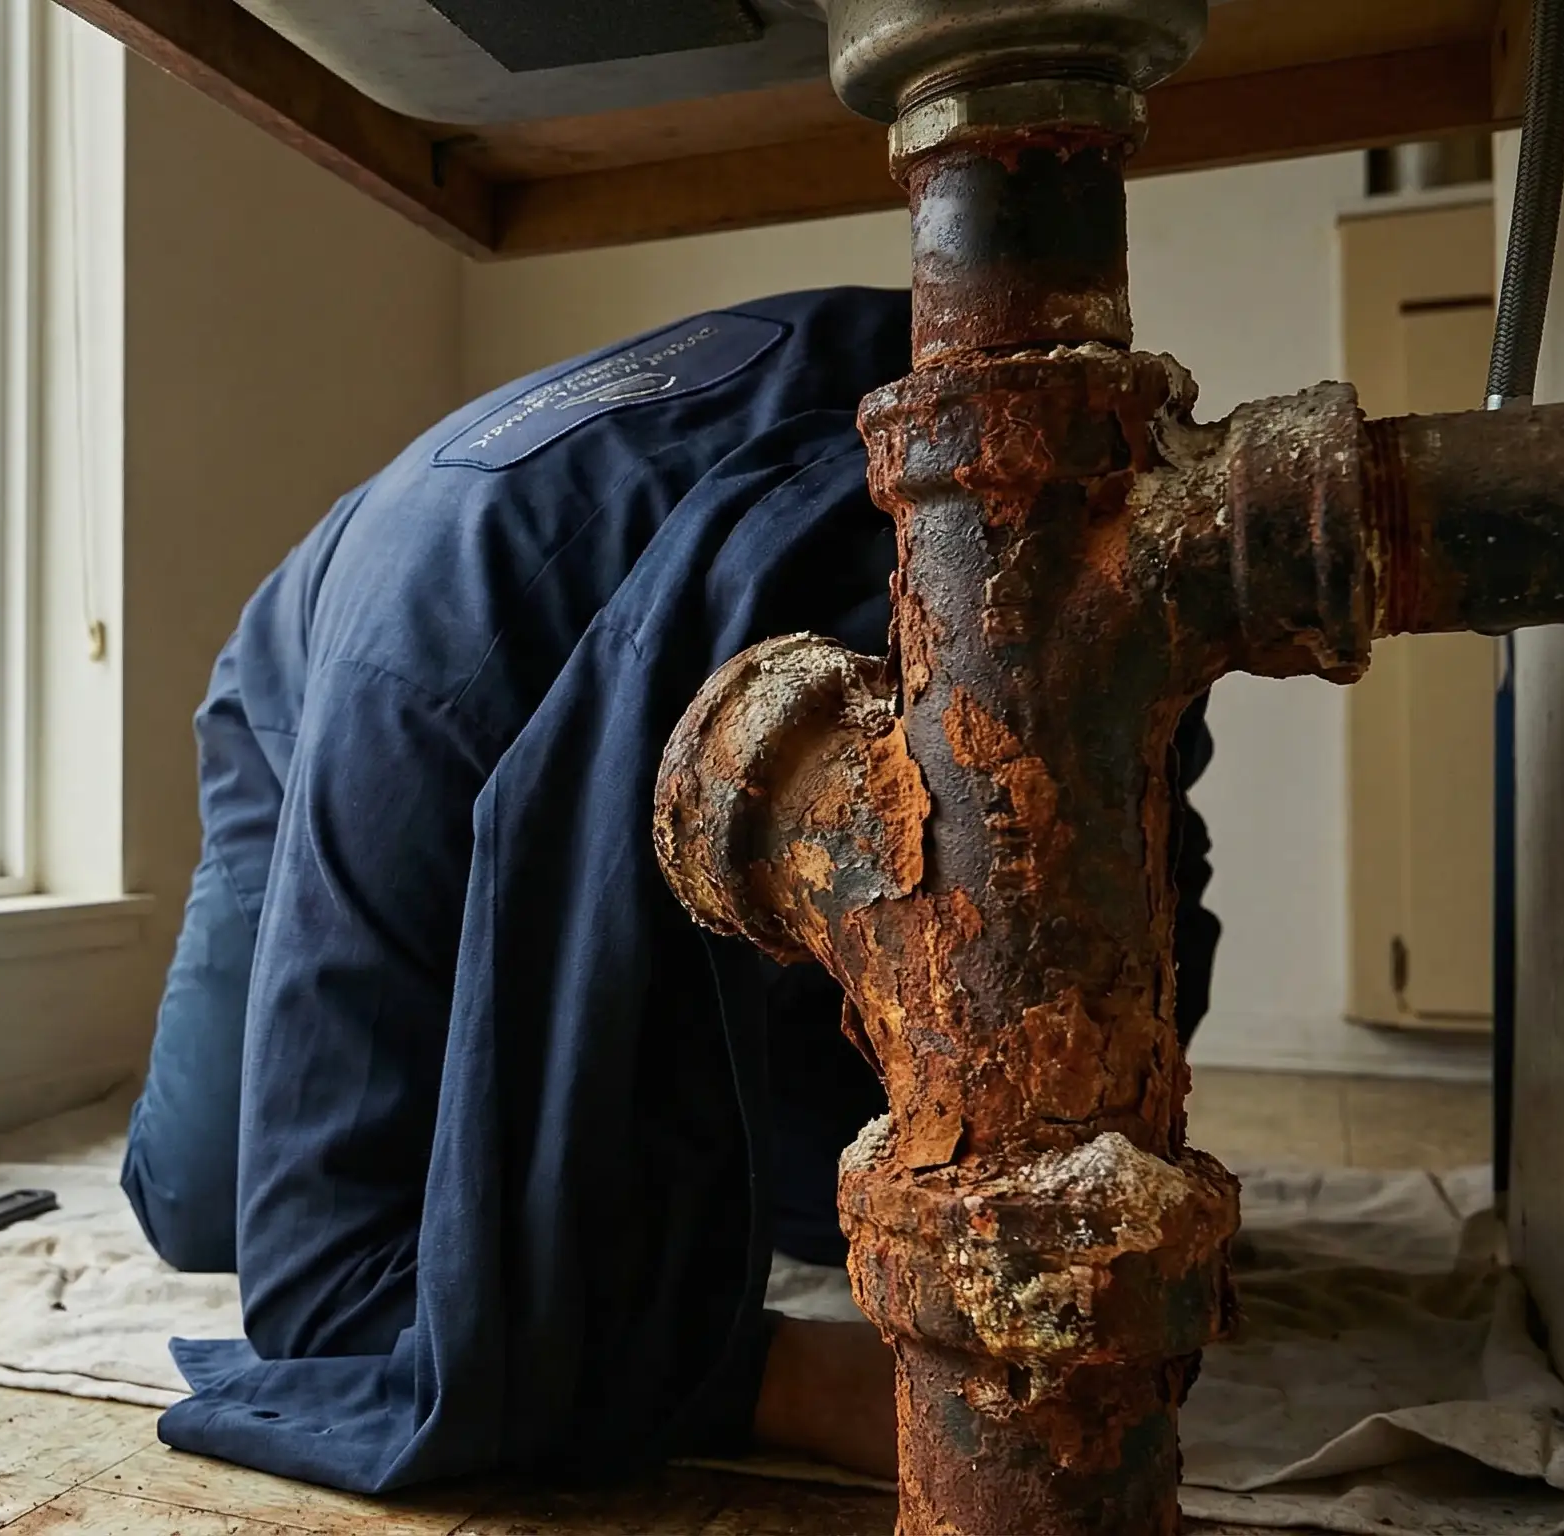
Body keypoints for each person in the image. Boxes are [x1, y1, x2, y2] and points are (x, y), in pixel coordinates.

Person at [119, 287, 1220, 1495]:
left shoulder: (1073, 522)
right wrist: (777, 1381)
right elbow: (324, 1297)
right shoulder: (426, 691)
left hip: (641, 594)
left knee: (793, 1200)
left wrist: (1104, 1153)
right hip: (330, 682)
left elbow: (1160, 902)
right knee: (208, 1202)